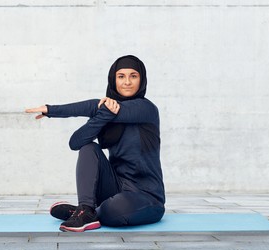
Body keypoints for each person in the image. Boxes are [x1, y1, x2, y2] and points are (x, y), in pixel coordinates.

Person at [25, 55, 165, 232]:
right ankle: (85, 210)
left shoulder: (147, 109)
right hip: (116, 187)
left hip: (147, 197)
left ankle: (87, 212)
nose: (127, 82)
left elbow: (103, 109)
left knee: (113, 211)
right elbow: (75, 142)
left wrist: (104, 112)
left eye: (133, 76)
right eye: (121, 76)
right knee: (88, 147)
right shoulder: (107, 108)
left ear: (141, 79)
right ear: (113, 80)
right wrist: (51, 110)